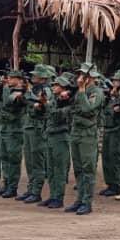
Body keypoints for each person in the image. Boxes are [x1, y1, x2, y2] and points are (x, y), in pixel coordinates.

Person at [65, 63, 104, 215]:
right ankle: (79, 199)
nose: (80, 77)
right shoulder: (81, 91)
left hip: (87, 135)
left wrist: (81, 90)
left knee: (88, 170)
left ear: (91, 77)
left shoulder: (96, 92)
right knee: (78, 169)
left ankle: (87, 202)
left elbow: (88, 109)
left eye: (83, 75)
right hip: (76, 133)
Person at [19, 65, 53, 203]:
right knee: (29, 161)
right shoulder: (34, 89)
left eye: (36, 75)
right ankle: (31, 188)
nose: (33, 77)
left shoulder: (46, 90)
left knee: (37, 161)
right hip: (29, 127)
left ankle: (36, 191)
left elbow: (43, 105)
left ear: (43, 78)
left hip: (38, 128)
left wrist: (31, 96)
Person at [42, 75, 73, 209]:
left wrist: (46, 105)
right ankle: (53, 195)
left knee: (59, 169)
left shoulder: (68, 103)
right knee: (51, 169)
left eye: (57, 85)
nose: (53, 87)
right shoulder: (54, 100)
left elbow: (57, 115)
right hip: (51, 135)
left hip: (61, 136)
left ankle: (58, 197)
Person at [0, 70, 26, 199]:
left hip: (15, 129)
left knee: (13, 158)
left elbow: (9, 102)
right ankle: (6, 184)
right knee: (4, 157)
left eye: (11, 78)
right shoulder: (8, 89)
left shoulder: (19, 91)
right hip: (5, 128)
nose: (8, 79)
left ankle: (12, 187)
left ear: (19, 79)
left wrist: (6, 88)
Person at [100, 70, 120, 197]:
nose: (115, 82)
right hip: (108, 127)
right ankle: (110, 183)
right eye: (114, 80)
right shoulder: (111, 94)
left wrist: (115, 96)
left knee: (114, 157)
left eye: (117, 81)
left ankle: (116, 184)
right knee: (106, 156)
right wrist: (109, 96)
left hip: (117, 129)